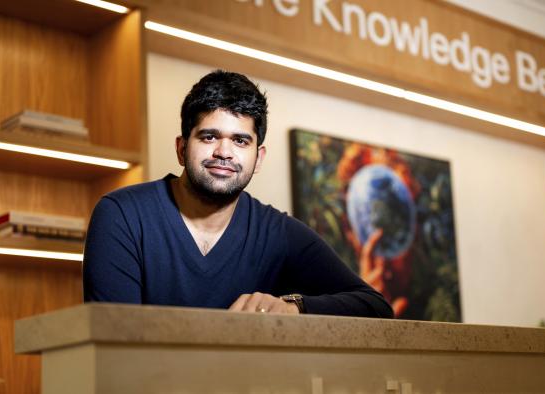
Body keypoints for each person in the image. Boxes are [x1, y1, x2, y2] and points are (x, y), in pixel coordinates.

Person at [83, 70, 392, 318]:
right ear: (181, 148)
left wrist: (292, 306)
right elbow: (114, 343)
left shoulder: (277, 233)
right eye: (209, 136)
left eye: (241, 141)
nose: (224, 152)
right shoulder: (122, 216)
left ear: (258, 159)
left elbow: (374, 306)